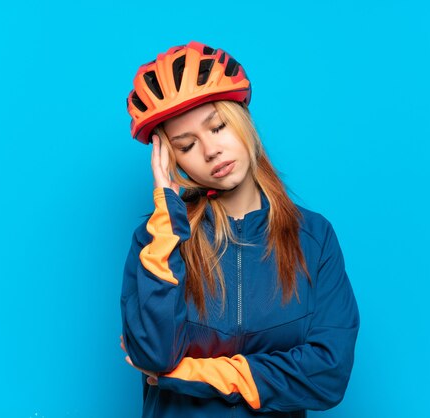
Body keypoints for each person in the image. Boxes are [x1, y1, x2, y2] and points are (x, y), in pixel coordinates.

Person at [120, 41, 360, 418]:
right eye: (186, 145)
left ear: (242, 119)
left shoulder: (313, 238)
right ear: (170, 159)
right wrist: (167, 211)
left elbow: (329, 373)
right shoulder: (157, 241)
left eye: (217, 127)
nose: (211, 151)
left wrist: (194, 373)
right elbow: (154, 353)